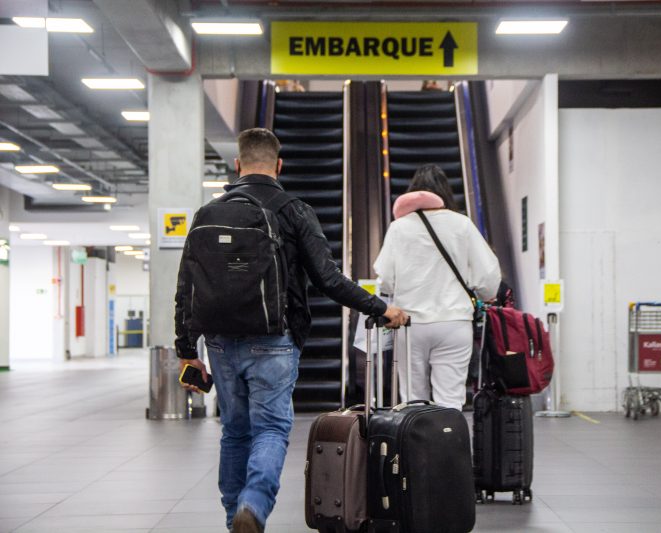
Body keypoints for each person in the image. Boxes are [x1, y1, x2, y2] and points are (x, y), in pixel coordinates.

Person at [174, 128, 407, 533]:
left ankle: (235, 518)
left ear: (237, 165)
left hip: (220, 343)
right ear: (279, 165)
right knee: (271, 429)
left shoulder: (207, 214)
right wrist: (381, 308)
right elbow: (329, 280)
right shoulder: (294, 210)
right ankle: (253, 504)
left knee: (234, 432)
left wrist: (185, 347)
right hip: (274, 341)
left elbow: (185, 285)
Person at [373, 164, 500, 409]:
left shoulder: (399, 227)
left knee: (412, 399)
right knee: (450, 400)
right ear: (444, 192)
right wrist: (486, 294)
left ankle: (415, 447)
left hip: (410, 325)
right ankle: (448, 445)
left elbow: (386, 278)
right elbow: (488, 276)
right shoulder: (462, 224)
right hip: (454, 323)